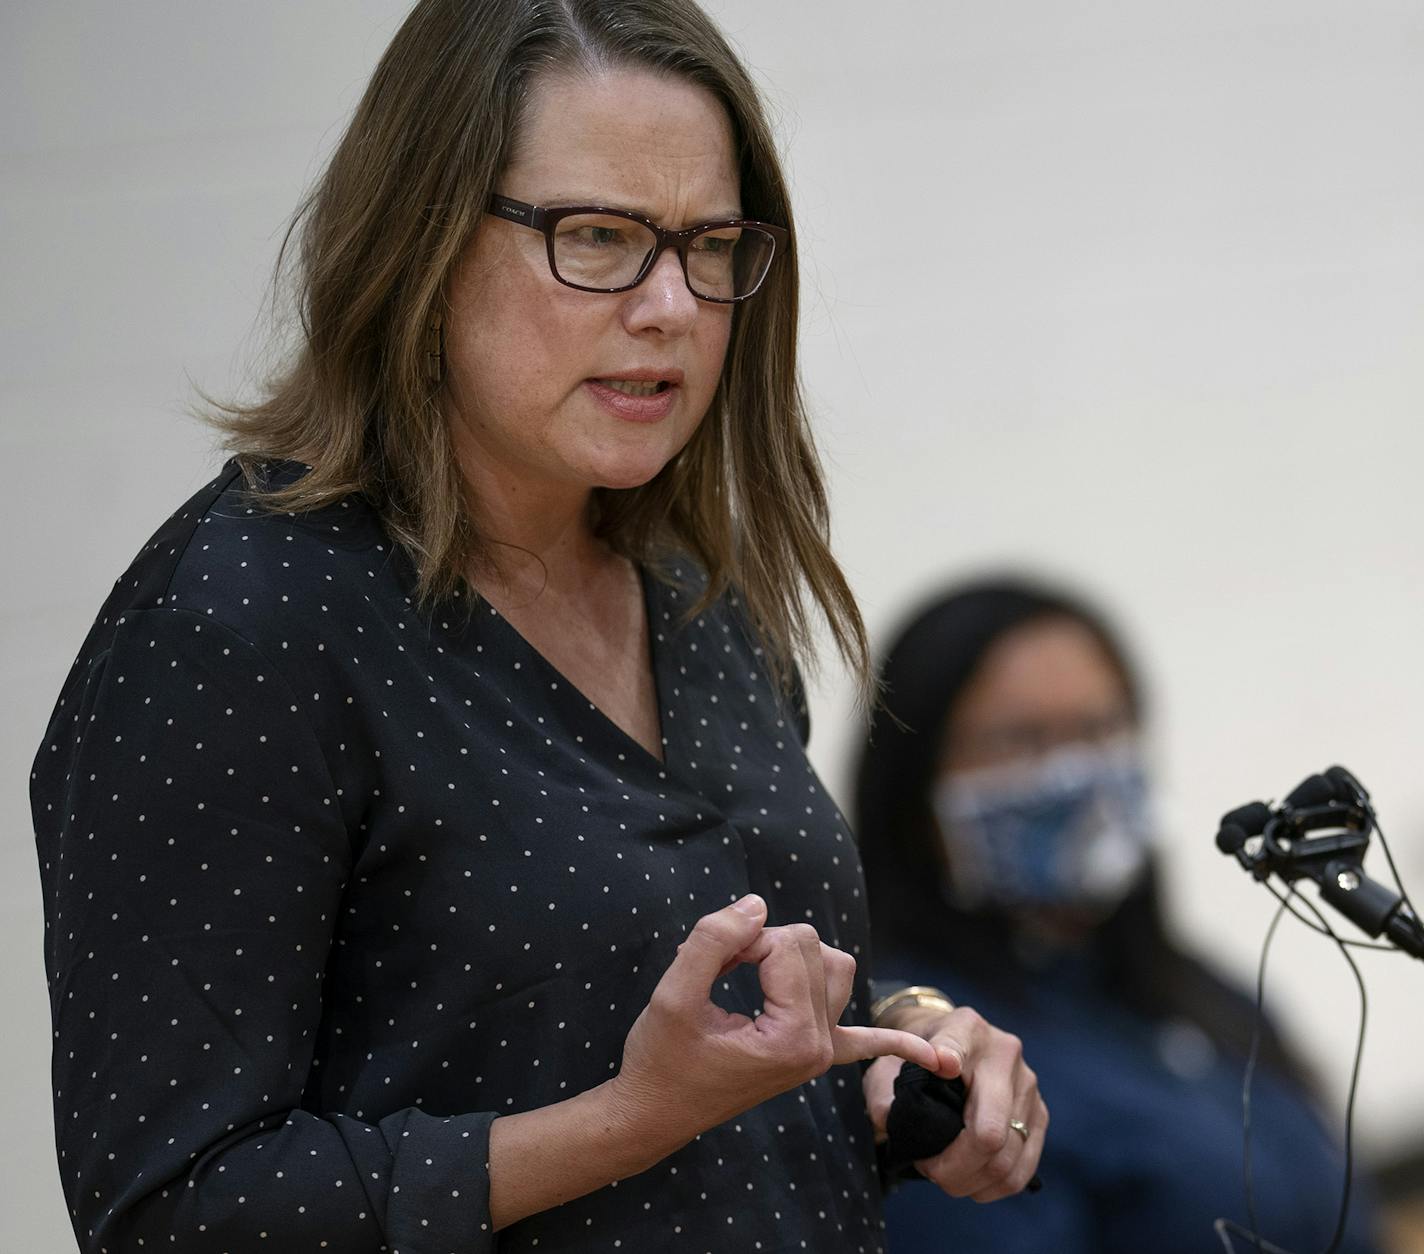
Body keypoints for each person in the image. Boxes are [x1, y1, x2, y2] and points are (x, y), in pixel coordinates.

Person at [30, 4, 1046, 1251]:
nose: (672, 304)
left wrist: (904, 1041)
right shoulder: (240, 621)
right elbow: (168, 1209)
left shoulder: (690, 581)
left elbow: (673, 1035)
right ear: (419, 239)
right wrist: (625, 1121)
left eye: (711, 245)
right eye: (600, 237)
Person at [854, 577, 1382, 1254]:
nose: (1076, 770)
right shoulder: (936, 1052)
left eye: (1100, 728)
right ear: (917, 787)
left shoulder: (1197, 991)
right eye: (1022, 741)